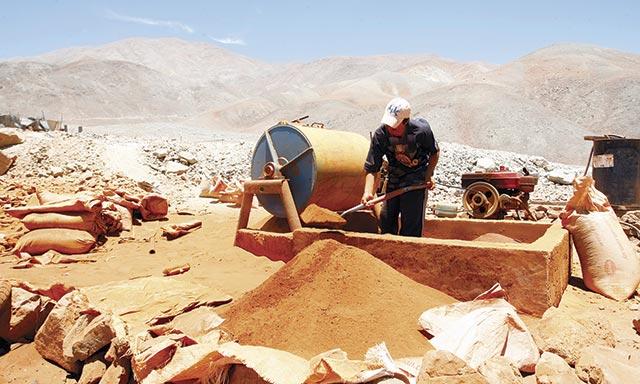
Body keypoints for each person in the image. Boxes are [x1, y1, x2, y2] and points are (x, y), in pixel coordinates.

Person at [361, 97, 440, 237]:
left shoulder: (421, 131)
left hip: (416, 182)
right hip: (394, 180)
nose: (390, 129)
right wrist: (368, 191)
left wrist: (428, 175)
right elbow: (372, 167)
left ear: (405, 121)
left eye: (394, 126)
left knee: (410, 228)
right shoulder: (381, 135)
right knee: (386, 222)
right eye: (388, 124)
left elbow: (434, 153)